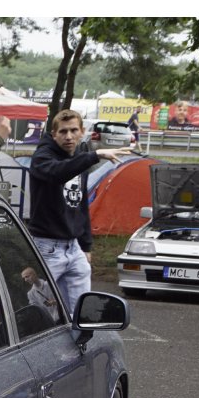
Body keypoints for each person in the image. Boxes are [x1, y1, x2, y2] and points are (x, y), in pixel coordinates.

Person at [26, 109, 127, 316]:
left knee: (80, 313)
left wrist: (86, 245)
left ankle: (77, 336)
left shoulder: (80, 159)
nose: (69, 136)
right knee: (42, 312)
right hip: (47, 247)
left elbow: (80, 206)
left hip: (73, 248)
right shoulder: (42, 157)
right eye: (63, 132)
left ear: (82, 132)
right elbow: (57, 172)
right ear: (54, 134)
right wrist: (95, 155)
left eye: (73, 130)